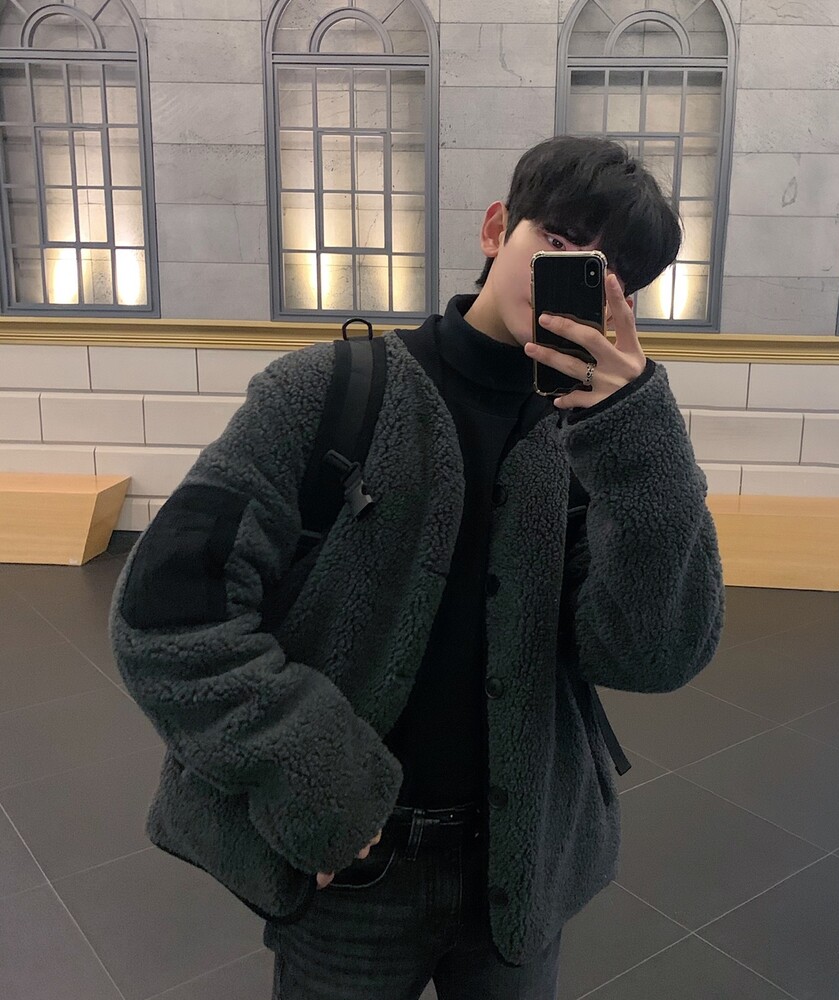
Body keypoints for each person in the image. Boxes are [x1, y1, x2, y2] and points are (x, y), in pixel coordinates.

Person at [109, 135, 725, 1000]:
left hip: (520, 868)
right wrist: (318, 786)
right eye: (556, 241)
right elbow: (167, 612)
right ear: (495, 228)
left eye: (609, 270)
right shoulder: (326, 390)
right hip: (355, 870)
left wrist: (639, 443)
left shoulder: (608, 443)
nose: (574, 274)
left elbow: (653, 656)